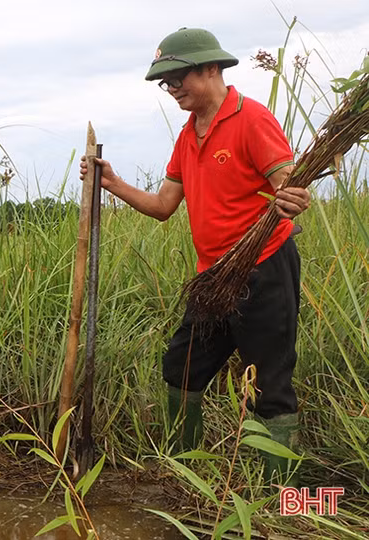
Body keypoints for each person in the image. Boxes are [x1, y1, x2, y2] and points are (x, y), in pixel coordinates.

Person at [80, 28, 310, 487]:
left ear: (211, 68)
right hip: (214, 276)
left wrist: (292, 197)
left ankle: (276, 495)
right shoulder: (189, 135)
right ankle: (186, 471)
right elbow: (164, 206)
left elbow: (288, 183)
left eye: (177, 77)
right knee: (182, 366)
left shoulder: (251, 119)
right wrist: (112, 183)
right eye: (165, 82)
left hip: (263, 268)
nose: (171, 88)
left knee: (269, 384)